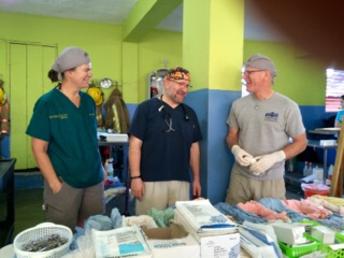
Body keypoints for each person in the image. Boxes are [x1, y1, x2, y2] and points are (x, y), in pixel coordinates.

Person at [26, 47, 104, 230]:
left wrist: (100, 169)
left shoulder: (88, 101)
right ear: (69, 72)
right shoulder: (47, 103)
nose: (90, 74)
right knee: (62, 235)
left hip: (94, 181)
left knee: (95, 232)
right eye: (86, 69)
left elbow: (90, 139)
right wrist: (54, 183)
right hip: (65, 183)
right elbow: (39, 149)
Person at [225, 54, 308, 204]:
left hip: (271, 181)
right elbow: (231, 135)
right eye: (244, 73)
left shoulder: (288, 106)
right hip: (240, 178)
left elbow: (301, 142)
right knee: (233, 219)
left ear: (266, 74)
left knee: (272, 224)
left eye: (249, 72)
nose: (244, 77)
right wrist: (236, 150)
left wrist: (275, 157)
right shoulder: (238, 105)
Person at [129, 67, 202, 215]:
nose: (184, 89)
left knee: (178, 226)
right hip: (150, 182)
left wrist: (196, 179)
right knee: (148, 226)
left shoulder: (189, 114)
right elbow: (135, 145)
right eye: (180, 83)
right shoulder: (146, 109)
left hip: (181, 181)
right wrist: (135, 177)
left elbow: (194, 148)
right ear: (167, 82)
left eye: (187, 85)